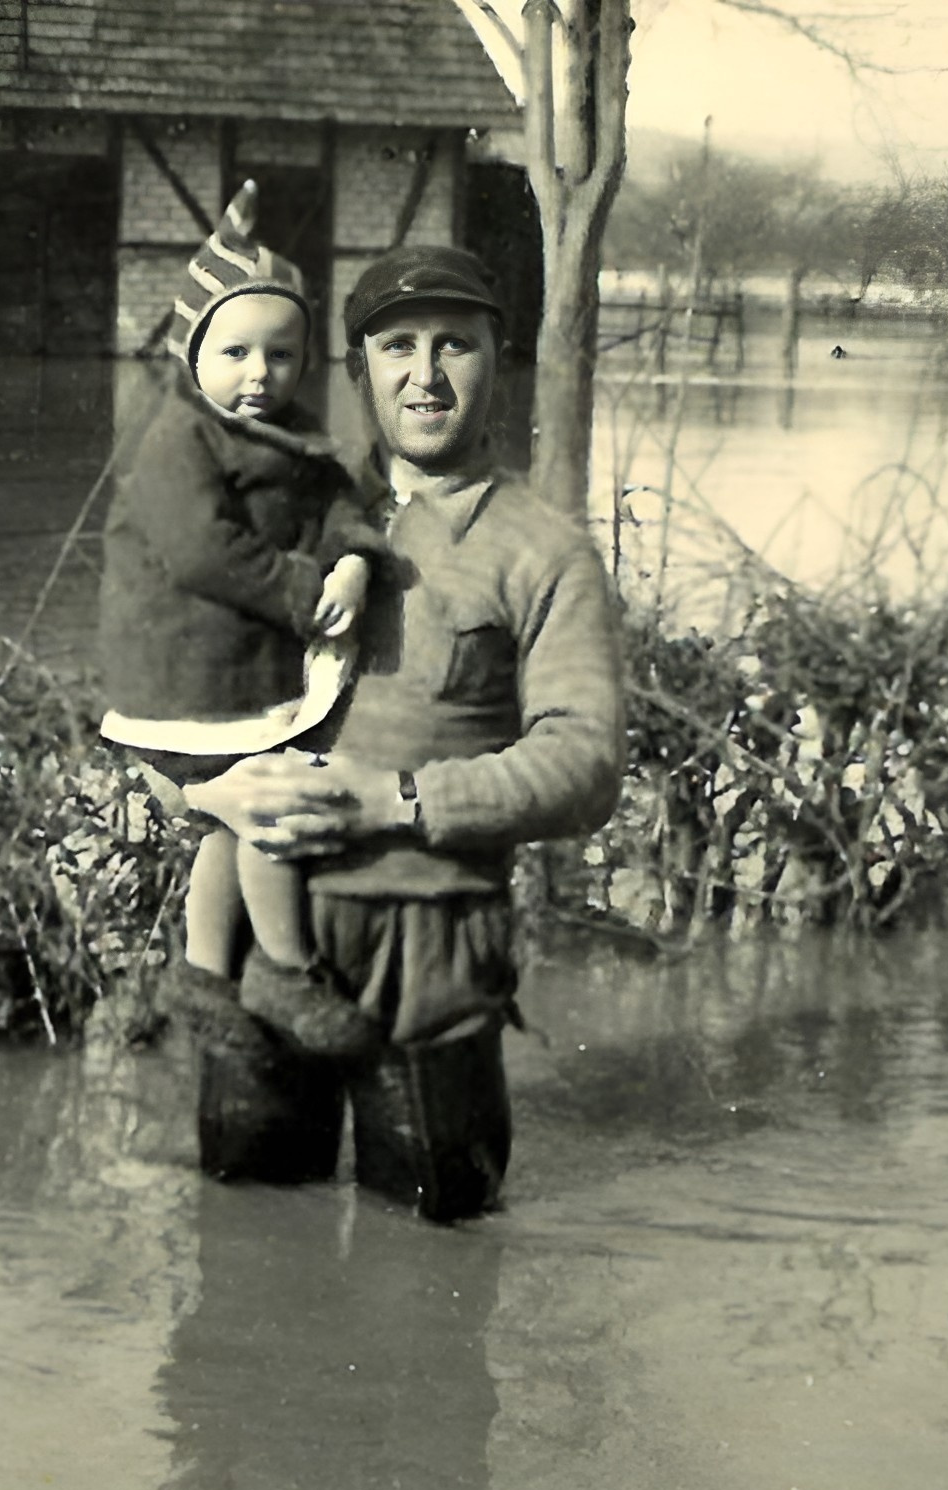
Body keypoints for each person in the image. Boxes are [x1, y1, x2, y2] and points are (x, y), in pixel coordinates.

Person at [182, 246, 627, 1222]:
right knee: (245, 1235)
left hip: (432, 955)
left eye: (453, 345)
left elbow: (587, 764)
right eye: (397, 347)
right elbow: (155, 698)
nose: (425, 375)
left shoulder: (545, 552)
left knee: (437, 1244)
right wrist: (206, 791)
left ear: (498, 362)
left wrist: (398, 800)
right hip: (267, 940)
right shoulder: (270, 511)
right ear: (357, 370)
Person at [96, 182, 389, 1057]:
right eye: (235, 352)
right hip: (183, 682)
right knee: (268, 807)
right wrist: (303, 592)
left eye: (281, 355)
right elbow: (203, 552)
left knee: (236, 821)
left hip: (235, 679)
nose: (259, 374)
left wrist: (353, 559)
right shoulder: (177, 438)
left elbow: (338, 499)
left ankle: (202, 973)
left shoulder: (289, 432)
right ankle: (287, 972)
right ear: (192, 353)